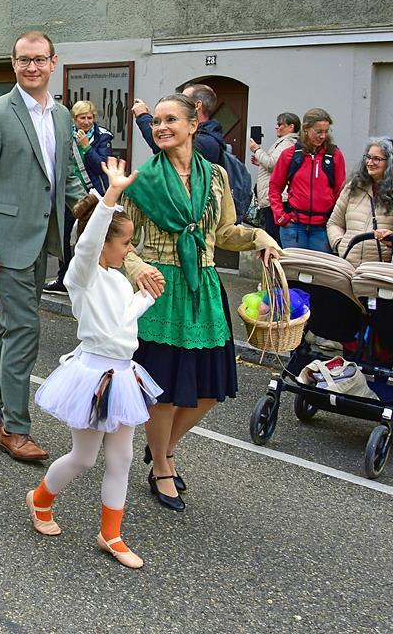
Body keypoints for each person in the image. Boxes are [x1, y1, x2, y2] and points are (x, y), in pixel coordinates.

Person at [121, 94, 280, 511]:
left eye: (170, 119)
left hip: (204, 288)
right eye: (155, 121)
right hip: (159, 289)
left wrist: (258, 237)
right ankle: (161, 465)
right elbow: (118, 243)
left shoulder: (216, 178)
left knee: (212, 387)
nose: (160, 127)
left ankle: (163, 448)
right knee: (165, 391)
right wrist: (136, 269)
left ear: (194, 125)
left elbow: (225, 232)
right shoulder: (141, 182)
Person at [28, 158, 162, 569]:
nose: (130, 250)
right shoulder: (81, 274)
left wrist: (147, 298)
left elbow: (119, 324)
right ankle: (40, 498)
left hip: (123, 374)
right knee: (85, 458)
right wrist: (112, 195)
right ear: (102, 241)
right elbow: (86, 246)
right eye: (125, 243)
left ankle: (111, 534)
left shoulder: (119, 279)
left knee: (120, 458)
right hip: (92, 375)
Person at [0, 31, 87, 461]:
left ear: (54, 62)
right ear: (13, 64)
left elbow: (68, 176)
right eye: (23, 60)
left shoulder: (63, 116)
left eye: (39, 60)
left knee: (7, 327)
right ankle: (15, 427)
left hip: (42, 240)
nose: (31, 67)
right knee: (24, 330)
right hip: (4, 244)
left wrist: (96, 210)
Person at [44, 99, 114, 294]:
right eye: (82, 118)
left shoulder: (103, 137)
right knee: (65, 237)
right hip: (68, 196)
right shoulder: (65, 136)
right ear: (74, 119)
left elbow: (101, 166)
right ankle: (63, 278)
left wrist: (87, 148)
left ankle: (93, 279)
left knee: (91, 238)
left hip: (92, 195)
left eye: (90, 117)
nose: (86, 121)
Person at [327, 137, 393, 265]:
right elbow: (334, 223)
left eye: (377, 159)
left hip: (385, 270)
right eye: (368, 157)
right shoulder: (354, 187)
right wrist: (340, 244)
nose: (369, 162)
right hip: (349, 265)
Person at [268, 108, 346, 252]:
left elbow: (340, 192)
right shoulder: (290, 155)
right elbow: (274, 187)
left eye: (326, 131)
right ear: (306, 129)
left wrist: (335, 222)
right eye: (318, 131)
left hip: (322, 228)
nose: (323, 136)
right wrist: (280, 216)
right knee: (293, 272)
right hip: (294, 227)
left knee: (320, 272)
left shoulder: (335, 155)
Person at [132, 84, 227, 164]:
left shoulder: (208, 142)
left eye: (172, 119)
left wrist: (142, 116)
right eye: (156, 122)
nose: (161, 129)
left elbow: (167, 144)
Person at [250, 113, 301, 246]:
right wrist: (260, 161)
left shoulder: (287, 143)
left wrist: (257, 150)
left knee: (274, 240)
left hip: (277, 199)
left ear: (291, 127)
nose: (276, 127)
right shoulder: (286, 143)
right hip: (274, 198)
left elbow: (272, 164)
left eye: (280, 124)